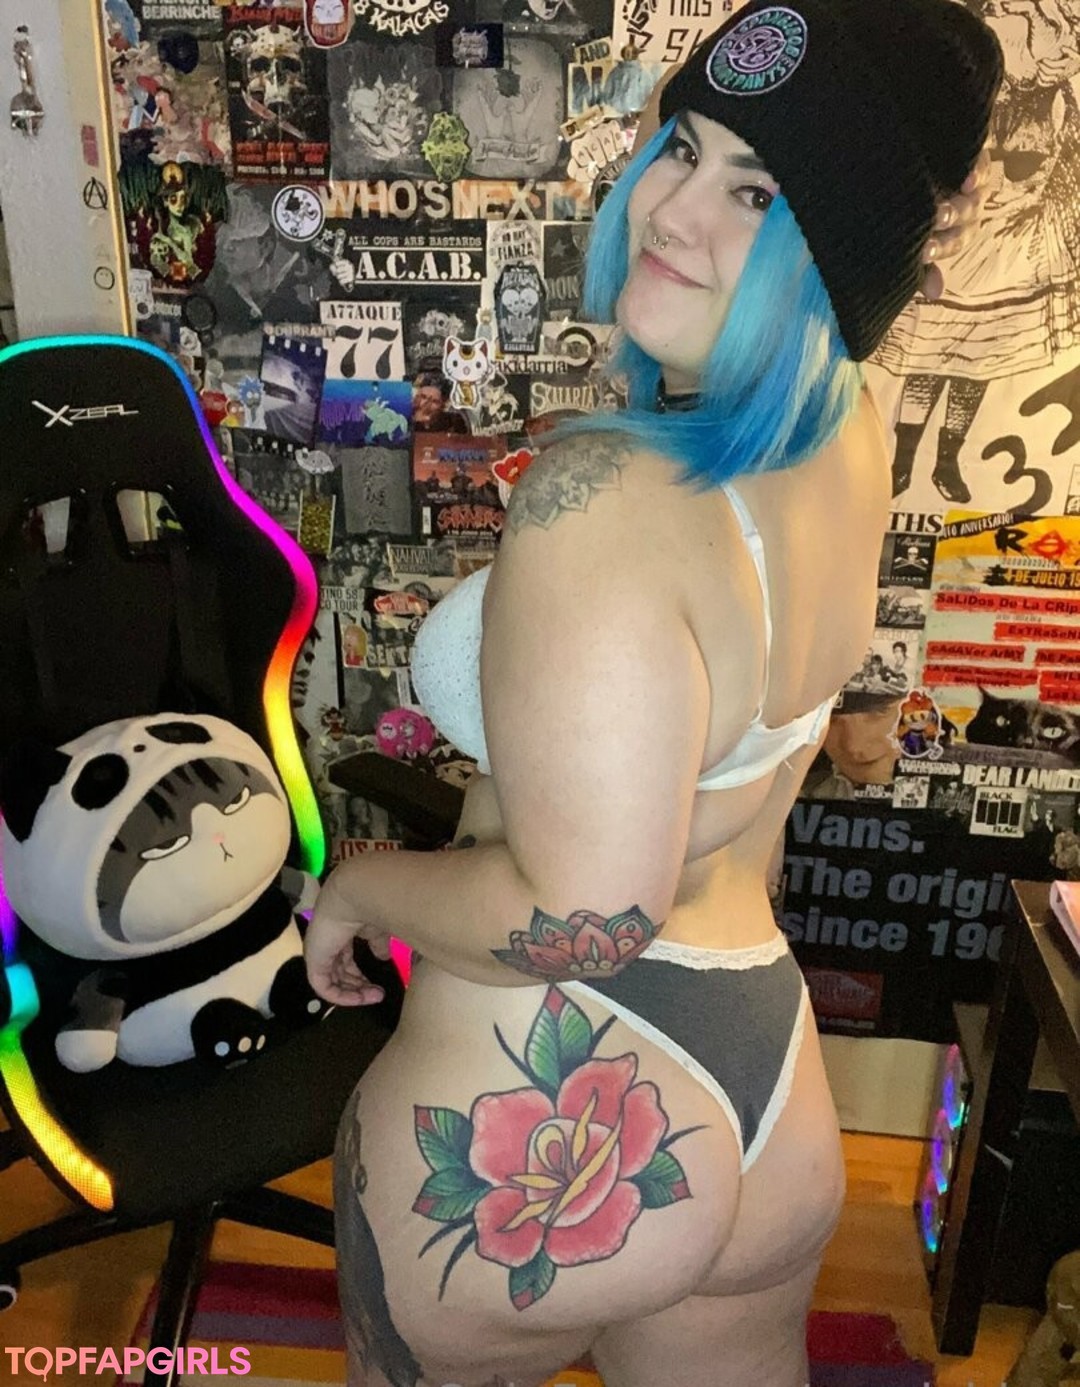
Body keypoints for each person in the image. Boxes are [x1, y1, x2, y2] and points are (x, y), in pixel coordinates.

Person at [304, 1, 1003, 1382]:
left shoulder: (605, 498)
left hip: (545, 1110)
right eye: (685, 149)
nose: (672, 212)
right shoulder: (849, 428)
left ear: (840, 252)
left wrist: (360, 887)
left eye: (759, 192)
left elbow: (586, 916)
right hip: (767, 1088)